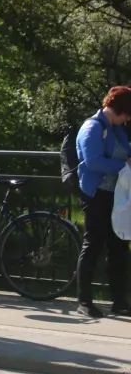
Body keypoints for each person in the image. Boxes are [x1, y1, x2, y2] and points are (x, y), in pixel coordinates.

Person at [73, 86, 131, 318]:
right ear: (119, 109)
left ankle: (119, 301)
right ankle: (84, 301)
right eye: (127, 114)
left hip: (116, 195)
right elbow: (93, 162)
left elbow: (125, 151)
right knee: (93, 245)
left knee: (119, 247)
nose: (128, 119)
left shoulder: (117, 129)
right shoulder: (92, 127)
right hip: (96, 195)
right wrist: (124, 167)